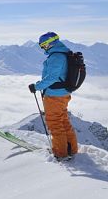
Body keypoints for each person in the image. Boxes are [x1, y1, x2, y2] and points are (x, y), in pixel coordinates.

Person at [29, 32, 78, 161]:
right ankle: (71, 149)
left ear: (49, 43)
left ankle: (60, 153)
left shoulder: (56, 56)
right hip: (63, 93)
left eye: (43, 45)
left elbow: (52, 77)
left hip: (54, 96)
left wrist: (37, 86)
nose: (43, 48)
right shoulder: (63, 54)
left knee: (55, 123)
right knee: (63, 121)